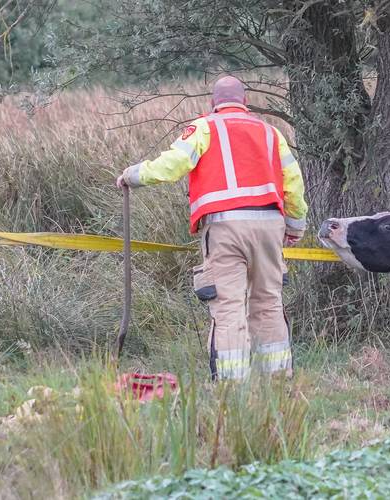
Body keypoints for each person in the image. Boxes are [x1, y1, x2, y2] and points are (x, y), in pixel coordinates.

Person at [116, 76, 308, 381]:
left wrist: (132, 175)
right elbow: (293, 182)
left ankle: (232, 388)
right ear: (245, 103)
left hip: (225, 226)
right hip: (271, 225)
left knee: (230, 307)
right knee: (269, 302)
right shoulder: (272, 133)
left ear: (213, 104)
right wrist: (295, 226)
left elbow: (172, 165)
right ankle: (278, 381)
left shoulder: (205, 127)